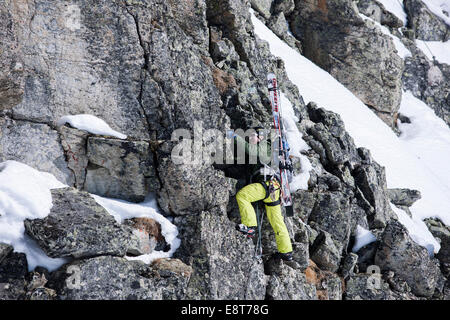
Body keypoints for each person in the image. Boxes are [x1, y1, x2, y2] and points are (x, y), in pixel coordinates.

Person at [225, 127, 293, 261]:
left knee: (242, 196)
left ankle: (250, 226)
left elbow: (252, 150)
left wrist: (234, 136)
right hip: (274, 189)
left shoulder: (265, 145)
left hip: (267, 185)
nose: (251, 139)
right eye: (249, 137)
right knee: (277, 220)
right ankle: (286, 251)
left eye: (253, 136)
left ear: (260, 137)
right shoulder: (266, 153)